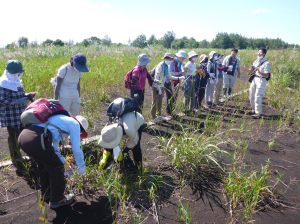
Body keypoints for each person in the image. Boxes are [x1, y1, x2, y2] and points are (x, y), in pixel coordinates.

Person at [18, 114, 89, 209]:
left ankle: (46, 193)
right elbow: (76, 149)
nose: (79, 134)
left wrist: (64, 162)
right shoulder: (74, 124)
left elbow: (54, 149)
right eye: (80, 133)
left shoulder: (60, 122)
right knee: (57, 168)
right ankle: (57, 200)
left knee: (44, 165)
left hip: (24, 137)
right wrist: (82, 168)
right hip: (36, 139)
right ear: (81, 128)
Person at [0, 60, 35, 173]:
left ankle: (26, 156)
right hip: (11, 116)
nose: (18, 75)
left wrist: (27, 95)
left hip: (21, 114)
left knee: (23, 136)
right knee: (14, 138)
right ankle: (17, 160)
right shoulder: (3, 84)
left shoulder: (16, 82)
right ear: (10, 72)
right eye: (17, 73)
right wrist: (16, 101)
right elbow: (2, 100)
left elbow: (19, 94)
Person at [151, 53, 184, 122]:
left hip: (161, 85)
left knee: (159, 102)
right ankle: (154, 118)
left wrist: (179, 78)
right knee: (155, 102)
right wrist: (159, 88)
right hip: (156, 85)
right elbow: (156, 78)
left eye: (171, 59)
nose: (171, 60)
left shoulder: (167, 66)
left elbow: (169, 76)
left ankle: (159, 116)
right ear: (165, 58)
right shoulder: (160, 66)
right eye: (170, 59)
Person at [249, 48, 271, 118]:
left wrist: (260, 72)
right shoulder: (256, 61)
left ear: (264, 54)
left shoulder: (267, 63)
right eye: (258, 52)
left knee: (258, 96)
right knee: (251, 95)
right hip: (255, 79)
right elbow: (252, 70)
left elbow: (267, 75)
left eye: (260, 53)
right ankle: (254, 109)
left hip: (261, 80)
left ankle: (258, 113)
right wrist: (251, 70)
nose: (258, 54)